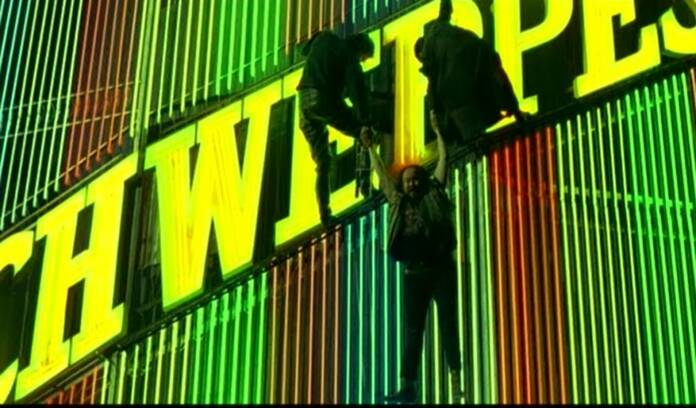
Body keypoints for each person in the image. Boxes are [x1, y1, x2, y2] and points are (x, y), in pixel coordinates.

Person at [367, 111, 464, 404]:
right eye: (407, 181)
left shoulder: (433, 192)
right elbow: (382, 176)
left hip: (441, 268)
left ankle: (456, 379)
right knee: (412, 331)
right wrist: (371, 149)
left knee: (448, 324)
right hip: (414, 273)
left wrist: (438, 132)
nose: (411, 184)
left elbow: (444, 161)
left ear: (422, 179)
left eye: (415, 179)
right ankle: (408, 386)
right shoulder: (397, 201)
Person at [416, 0, 526, 150]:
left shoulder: (437, 59)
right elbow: (445, 11)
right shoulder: (444, 33)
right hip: (477, 80)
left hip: (469, 103)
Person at [297, 30, 375, 227]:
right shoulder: (349, 55)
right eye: (363, 58)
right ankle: (366, 186)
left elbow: (303, 50)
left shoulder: (325, 37)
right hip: (324, 98)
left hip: (304, 100)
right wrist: (364, 121)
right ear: (360, 49)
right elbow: (357, 92)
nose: (361, 62)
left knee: (323, 162)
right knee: (363, 132)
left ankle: (325, 216)